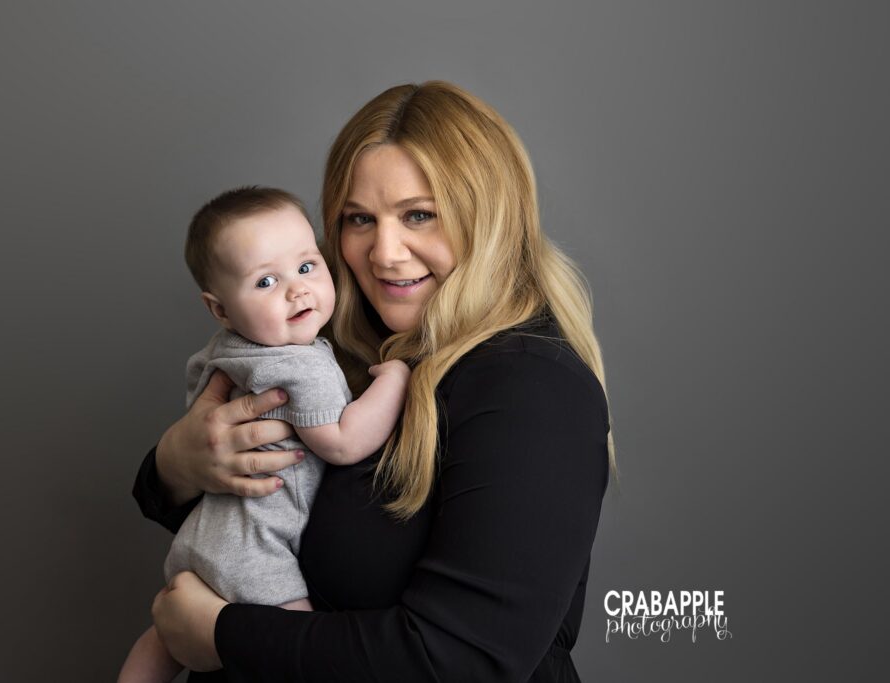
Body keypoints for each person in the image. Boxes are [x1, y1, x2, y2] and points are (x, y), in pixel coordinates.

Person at [133, 81, 614, 682]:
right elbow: (261, 523)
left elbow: (464, 660)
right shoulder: (345, 356)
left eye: (419, 215)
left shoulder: (530, 388)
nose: (384, 253)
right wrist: (175, 467)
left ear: (489, 219)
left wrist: (220, 635)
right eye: (360, 219)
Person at [119, 187, 411, 683]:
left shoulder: (224, 352)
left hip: (200, 538)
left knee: (162, 636)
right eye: (266, 281)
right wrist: (395, 381)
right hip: (259, 550)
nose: (297, 291)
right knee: (295, 648)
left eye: (306, 267)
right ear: (221, 308)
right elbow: (343, 441)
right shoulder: (301, 366)